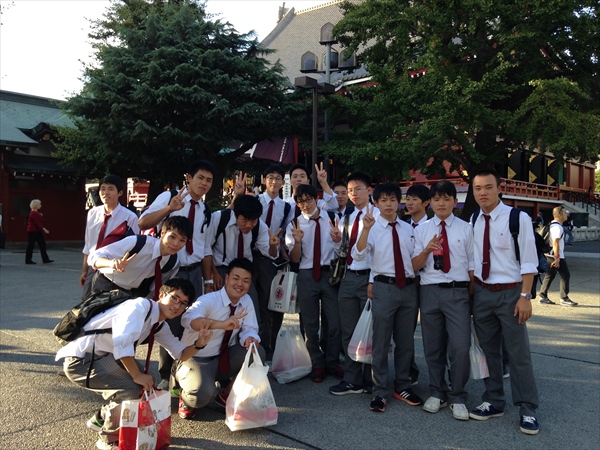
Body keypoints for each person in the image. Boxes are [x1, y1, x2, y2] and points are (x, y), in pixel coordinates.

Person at [55, 278, 211, 449]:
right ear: (161, 294)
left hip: (103, 356)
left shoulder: (158, 324)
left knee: (147, 379)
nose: (177, 306)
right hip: (81, 360)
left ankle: (100, 419)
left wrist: (199, 344)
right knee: (131, 388)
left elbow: (180, 354)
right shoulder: (139, 307)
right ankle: (108, 438)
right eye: (174, 298)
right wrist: (136, 375)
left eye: (183, 304)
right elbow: (122, 345)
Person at [469, 169, 540, 435]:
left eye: (488, 187)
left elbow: (529, 260)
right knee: (489, 352)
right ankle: (494, 400)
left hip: (511, 293)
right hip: (482, 293)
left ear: (499, 188)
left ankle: (527, 408)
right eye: (477, 188)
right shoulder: (474, 219)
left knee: (518, 353)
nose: (483, 193)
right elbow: (473, 260)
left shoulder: (517, 218)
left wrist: (525, 296)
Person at [138, 160, 216, 388]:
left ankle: (182, 372)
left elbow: (205, 248)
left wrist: (208, 280)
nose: (204, 183)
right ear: (188, 178)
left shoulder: (205, 211)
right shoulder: (170, 197)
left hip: (194, 272)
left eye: (209, 180)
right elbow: (142, 222)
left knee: (189, 323)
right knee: (168, 322)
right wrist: (169, 209)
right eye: (200, 178)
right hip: (171, 271)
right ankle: (166, 375)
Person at [352, 183, 422, 413]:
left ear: (398, 202)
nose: (389, 204)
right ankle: (380, 390)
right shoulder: (371, 227)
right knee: (381, 341)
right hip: (384, 287)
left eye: (393, 199)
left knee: (405, 341)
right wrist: (365, 229)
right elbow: (358, 254)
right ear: (376, 203)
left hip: (408, 289)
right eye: (383, 200)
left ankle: (402, 385)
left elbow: (414, 260)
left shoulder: (408, 228)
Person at [411, 180, 474, 421]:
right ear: (430, 203)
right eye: (437, 199)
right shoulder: (421, 230)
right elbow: (414, 266)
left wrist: (471, 295)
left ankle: (458, 395)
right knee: (433, 346)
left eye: (446, 199)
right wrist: (427, 250)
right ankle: (438, 391)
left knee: (460, 346)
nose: (441, 204)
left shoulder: (466, 229)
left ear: (455, 202)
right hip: (429, 291)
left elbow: (472, 266)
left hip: (458, 292)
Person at [176, 258, 264, 419]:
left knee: (257, 351)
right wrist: (220, 324)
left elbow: (250, 328)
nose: (240, 284)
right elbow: (188, 319)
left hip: (222, 357)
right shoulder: (210, 299)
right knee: (201, 397)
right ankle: (185, 393)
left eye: (246, 281)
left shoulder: (246, 300)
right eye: (236, 278)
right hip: (196, 358)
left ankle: (225, 395)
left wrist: (249, 338)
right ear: (227, 278)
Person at [285, 183, 343, 383]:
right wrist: (297, 241)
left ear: (317, 199)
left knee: (334, 322)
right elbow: (294, 258)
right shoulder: (295, 224)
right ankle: (316, 362)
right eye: (301, 202)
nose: (306, 205)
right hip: (306, 275)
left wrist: (337, 239)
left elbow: (341, 250)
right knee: (309, 323)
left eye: (308, 200)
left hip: (330, 274)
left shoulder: (333, 219)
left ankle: (332, 361)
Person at [329, 172, 376, 395]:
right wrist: (337, 240)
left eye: (358, 189)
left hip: (369, 278)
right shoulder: (347, 217)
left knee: (370, 330)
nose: (353, 194)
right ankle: (352, 378)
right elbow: (343, 251)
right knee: (348, 330)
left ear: (369, 190)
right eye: (350, 191)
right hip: (349, 276)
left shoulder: (379, 215)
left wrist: (373, 279)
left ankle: (371, 378)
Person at [206, 194, 280, 315]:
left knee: (251, 310)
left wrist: (273, 246)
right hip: (220, 271)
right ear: (235, 215)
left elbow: (271, 254)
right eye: (244, 220)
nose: (249, 225)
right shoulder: (219, 218)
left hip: (245, 272)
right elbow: (206, 248)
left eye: (253, 221)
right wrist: (212, 274)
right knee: (219, 312)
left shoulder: (260, 226)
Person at [88, 216, 193, 299]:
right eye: (172, 237)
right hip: (106, 284)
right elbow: (94, 256)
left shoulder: (173, 263)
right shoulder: (138, 242)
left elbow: (155, 289)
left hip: (132, 293)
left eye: (182, 240)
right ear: (162, 233)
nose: (175, 244)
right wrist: (112, 263)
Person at [253, 165, 293, 358]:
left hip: (272, 259)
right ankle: (256, 344)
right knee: (254, 303)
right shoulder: (255, 201)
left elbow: (286, 232)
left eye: (278, 178)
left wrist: (283, 251)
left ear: (283, 183)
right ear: (263, 180)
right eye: (270, 177)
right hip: (252, 255)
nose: (274, 182)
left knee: (274, 303)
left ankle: (271, 346)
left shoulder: (286, 207)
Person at [81, 175, 139, 298]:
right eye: (103, 189)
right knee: (87, 301)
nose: (106, 193)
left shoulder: (130, 217)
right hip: (93, 267)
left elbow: (135, 246)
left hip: (114, 268)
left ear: (120, 193)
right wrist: (84, 271)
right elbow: (88, 245)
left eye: (111, 189)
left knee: (108, 302)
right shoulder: (92, 213)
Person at [538, 206, 578, 307]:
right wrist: (557, 258)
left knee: (550, 275)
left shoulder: (551, 225)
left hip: (549, 254)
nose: (567, 215)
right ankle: (564, 298)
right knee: (565, 275)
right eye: (564, 213)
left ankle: (543, 296)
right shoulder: (557, 227)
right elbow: (555, 242)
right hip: (555, 255)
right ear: (559, 215)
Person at [25, 199, 53, 264]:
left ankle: (45, 259)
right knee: (31, 245)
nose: (40, 205)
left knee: (42, 244)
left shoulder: (34, 213)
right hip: (33, 231)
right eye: (39, 204)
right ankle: (28, 260)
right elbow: (38, 223)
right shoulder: (33, 213)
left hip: (36, 230)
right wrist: (44, 229)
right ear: (36, 205)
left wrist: (39, 215)